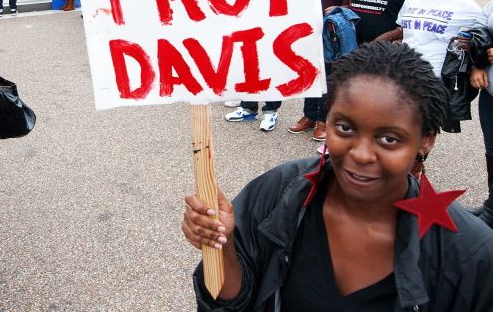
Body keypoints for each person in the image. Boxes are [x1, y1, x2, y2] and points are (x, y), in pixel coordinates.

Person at [184, 41, 493, 312]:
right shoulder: (278, 193)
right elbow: (231, 302)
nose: (360, 154)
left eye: (388, 139)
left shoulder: (469, 254)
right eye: (345, 128)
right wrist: (221, 246)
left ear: (425, 139)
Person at [288, 0, 353, 140]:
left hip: (330, 34)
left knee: (329, 76)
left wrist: (340, 9)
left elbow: (350, 4)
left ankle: (323, 120)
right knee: (309, 73)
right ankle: (308, 115)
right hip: (306, 31)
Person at [398, 0, 479, 78]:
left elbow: (485, 29)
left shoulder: (463, 4)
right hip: (404, 71)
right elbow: (403, 30)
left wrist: (471, 44)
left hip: (436, 76)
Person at [469, 0, 493, 227]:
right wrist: (478, 63)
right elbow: (478, 30)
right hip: (491, 94)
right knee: (492, 150)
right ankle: (492, 207)